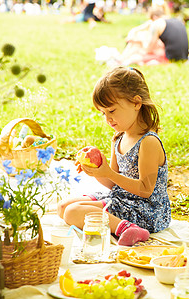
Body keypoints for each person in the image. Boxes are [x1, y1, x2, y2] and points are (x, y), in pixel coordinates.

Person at [58, 67, 171, 246]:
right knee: (63, 207)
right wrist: (97, 171)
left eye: (112, 111)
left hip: (146, 210)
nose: (107, 119)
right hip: (122, 199)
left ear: (136, 103)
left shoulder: (148, 142)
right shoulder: (119, 138)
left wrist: (109, 173)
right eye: (103, 113)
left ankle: (127, 228)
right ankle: (118, 223)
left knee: (72, 212)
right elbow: (112, 184)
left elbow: (145, 190)